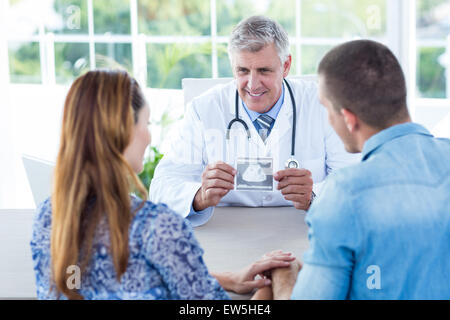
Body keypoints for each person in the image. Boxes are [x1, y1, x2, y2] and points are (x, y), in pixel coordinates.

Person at [29, 70, 296, 300]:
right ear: (124, 131)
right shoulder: (157, 227)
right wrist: (272, 284)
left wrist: (228, 278)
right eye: (146, 123)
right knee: (287, 271)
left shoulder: (48, 217)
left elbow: (124, 276)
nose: (149, 136)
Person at [266, 40, 450, 300]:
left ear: (349, 119)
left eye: (327, 109)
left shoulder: (345, 193)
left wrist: (283, 276)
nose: (328, 119)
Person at [150, 16, 358, 227]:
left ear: (286, 65)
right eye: (243, 71)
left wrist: (314, 195)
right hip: (227, 234)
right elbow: (162, 186)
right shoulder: (204, 109)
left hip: (302, 230)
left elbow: (354, 181)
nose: (253, 84)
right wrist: (199, 196)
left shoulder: (323, 105)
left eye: (264, 71)